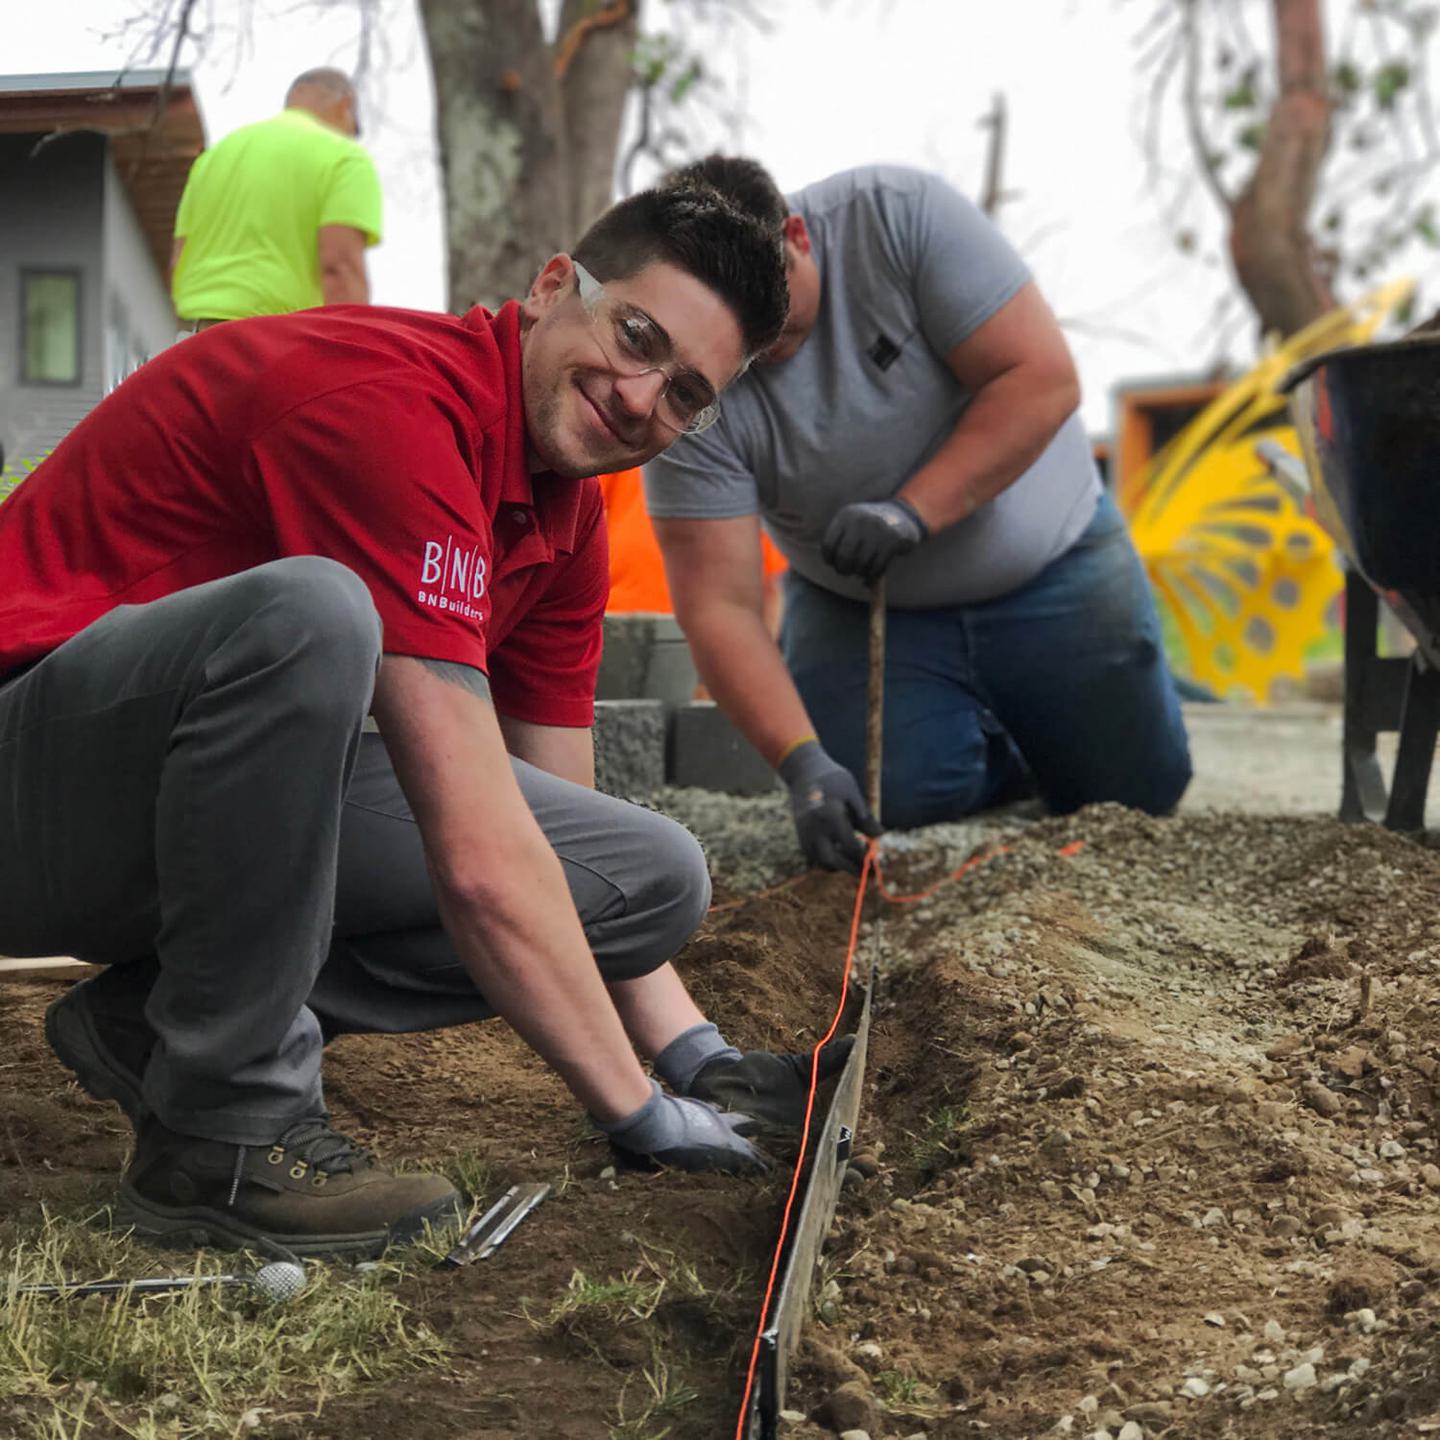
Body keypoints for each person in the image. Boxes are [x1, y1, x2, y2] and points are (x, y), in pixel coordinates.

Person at [0, 183, 832, 1261]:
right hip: (31, 786)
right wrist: (638, 1113)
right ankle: (223, 1128)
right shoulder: (388, 404)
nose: (639, 399)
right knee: (311, 616)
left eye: (683, 394)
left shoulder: (563, 518)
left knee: (648, 878)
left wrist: (695, 1057)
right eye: (637, 337)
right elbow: (481, 860)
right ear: (552, 287)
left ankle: (160, 1023)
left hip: (164, 814)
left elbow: (552, 832)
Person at [646, 157, 1192, 873]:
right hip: (857, 607)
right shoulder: (687, 383)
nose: (761, 340)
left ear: (799, 237)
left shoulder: (900, 216)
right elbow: (719, 605)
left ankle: (1039, 720)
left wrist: (912, 512)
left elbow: (1043, 379)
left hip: (1055, 569)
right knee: (882, 799)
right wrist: (802, 764)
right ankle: (988, 751)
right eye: (738, 326)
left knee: (1136, 793)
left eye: (772, 306)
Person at [170, 68, 382, 328]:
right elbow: (340, 267)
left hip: (200, 332)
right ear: (345, 105)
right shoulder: (345, 158)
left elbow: (180, 257)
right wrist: (352, 342)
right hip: (280, 334)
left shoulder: (214, 157)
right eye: (352, 128)